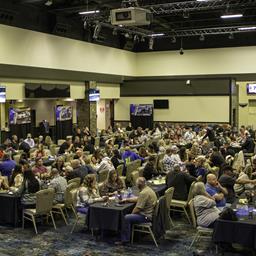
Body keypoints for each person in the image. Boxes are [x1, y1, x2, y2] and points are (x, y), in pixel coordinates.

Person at [116, 177, 157, 245]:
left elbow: (138, 208)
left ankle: (125, 240)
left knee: (126, 217)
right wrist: (127, 200)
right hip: (149, 213)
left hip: (146, 217)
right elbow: (139, 199)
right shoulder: (148, 189)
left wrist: (131, 214)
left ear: (138, 185)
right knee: (129, 215)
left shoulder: (143, 193)